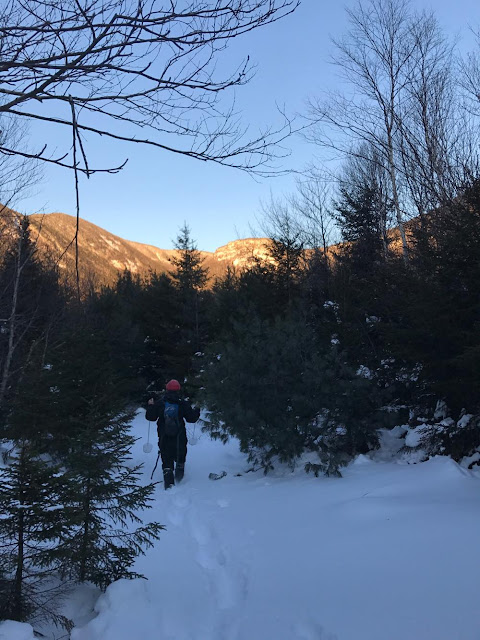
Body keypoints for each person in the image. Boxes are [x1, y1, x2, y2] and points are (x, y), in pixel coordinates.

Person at [146, 379, 200, 489]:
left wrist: (150, 406)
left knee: (166, 457)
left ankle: (169, 483)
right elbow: (192, 418)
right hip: (179, 436)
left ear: (167, 389)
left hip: (164, 436)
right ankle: (180, 478)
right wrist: (197, 409)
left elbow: (150, 417)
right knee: (180, 455)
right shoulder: (182, 403)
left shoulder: (160, 403)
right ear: (178, 389)